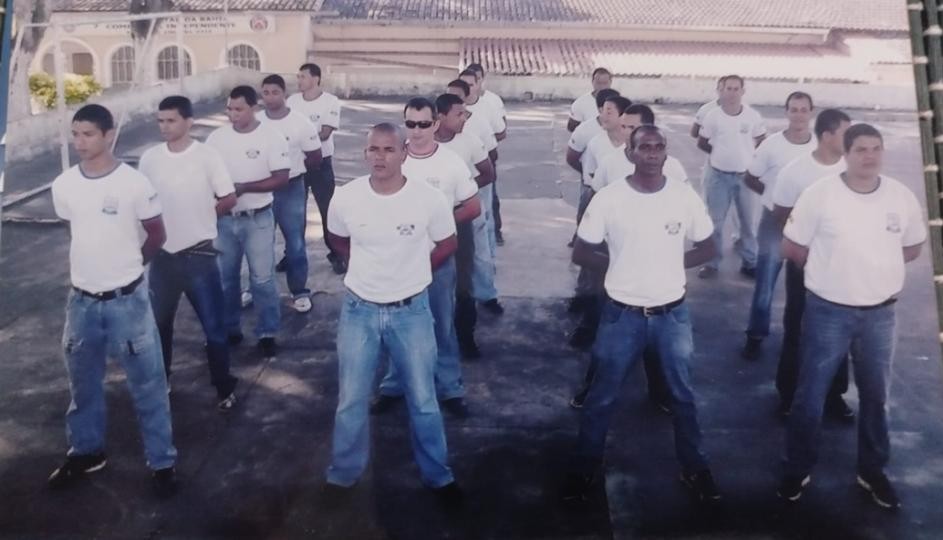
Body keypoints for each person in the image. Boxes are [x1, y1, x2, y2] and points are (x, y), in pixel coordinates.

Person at [564, 125, 721, 503]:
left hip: (672, 316)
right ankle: (585, 468)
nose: (651, 152)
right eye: (643, 147)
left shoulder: (683, 197)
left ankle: (695, 468)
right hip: (621, 316)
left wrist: (671, 261)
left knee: (683, 397)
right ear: (630, 154)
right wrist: (621, 261)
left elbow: (709, 246)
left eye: (658, 146)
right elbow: (582, 253)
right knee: (602, 397)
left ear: (666, 152)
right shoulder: (609, 199)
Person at [777, 124, 926, 510]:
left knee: (876, 398)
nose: (870, 156)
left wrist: (873, 275)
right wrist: (835, 275)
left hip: (881, 316)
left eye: (876, 149)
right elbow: (793, 247)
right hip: (828, 312)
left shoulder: (901, 196)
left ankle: (872, 472)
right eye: (861, 149)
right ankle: (797, 468)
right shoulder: (820, 194)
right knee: (809, 396)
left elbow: (911, 247)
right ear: (845, 153)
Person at [324, 123, 462, 505]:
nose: (380, 157)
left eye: (388, 149)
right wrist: (367, 263)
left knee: (423, 399)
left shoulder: (428, 199)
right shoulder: (346, 197)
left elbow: (447, 241)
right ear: (364, 153)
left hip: (412, 313)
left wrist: (415, 265)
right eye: (373, 150)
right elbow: (337, 239)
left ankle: (438, 476)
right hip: (359, 311)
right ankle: (342, 475)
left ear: (404, 153)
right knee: (351, 400)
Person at [48, 104, 178, 497]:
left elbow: (156, 234)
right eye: (76, 134)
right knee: (82, 384)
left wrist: (131, 267)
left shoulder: (134, 184)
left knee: (149, 385)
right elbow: (77, 226)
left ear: (108, 136)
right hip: (81, 303)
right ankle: (86, 451)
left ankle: (162, 462)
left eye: (88, 134)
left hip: (129, 302)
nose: (80, 142)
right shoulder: (65, 185)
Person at [372, 97, 482, 419]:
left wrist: (441, 222)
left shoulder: (451, 163)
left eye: (423, 124)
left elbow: (473, 206)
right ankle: (393, 386)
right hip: (397, 259)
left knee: (441, 325)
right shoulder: (393, 158)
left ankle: (450, 388)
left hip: (439, 258)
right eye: (410, 124)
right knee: (395, 326)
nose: (416, 131)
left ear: (436, 124)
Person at [140, 95, 240, 411]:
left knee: (214, 328)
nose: (164, 126)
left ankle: (224, 387)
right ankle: (162, 382)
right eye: (160, 121)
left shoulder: (207, 157)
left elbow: (229, 198)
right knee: (158, 327)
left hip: (200, 257)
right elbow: (142, 203)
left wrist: (206, 215)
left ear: (188, 122)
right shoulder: (150, 159)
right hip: (163, 258)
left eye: (171, 120)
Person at [770, 109, 854, 419]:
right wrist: (804, 244)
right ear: (828, 135)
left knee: (839, 329)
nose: (852, 139)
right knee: (799, 328)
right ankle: (788, 396)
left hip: (844, 265)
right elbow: (780, 213)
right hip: (804, 264)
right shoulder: (796, 171)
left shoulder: (852, 167)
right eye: (846, 132)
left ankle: (834, 396)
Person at [206, 85, 290, 358]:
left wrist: (243, 188)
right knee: (226, 279)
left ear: (254, 108)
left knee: (263, 279)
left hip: (258, 218)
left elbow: (281, 178)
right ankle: (230, 329)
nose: (233, 114)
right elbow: (205, 175)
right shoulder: (216, 139)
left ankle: (267, 332)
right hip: (224, 221)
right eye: (229, 109)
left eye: (239, 109)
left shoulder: (272, 137)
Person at [740, 92, 816, 360]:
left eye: (803, 110)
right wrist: (771, 195)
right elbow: (750, 177)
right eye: (793, 109)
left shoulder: (819, 147)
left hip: (808, 226)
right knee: (766, 282)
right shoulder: (771, 145)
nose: (798, 115)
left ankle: (802, 338)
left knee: (810, 285)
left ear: (811, 112)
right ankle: (756, 335)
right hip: (774, 221)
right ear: (786, 112)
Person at [435, 92, 496, 359]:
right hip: (424, 225)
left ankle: (465, 337)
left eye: (466, 113)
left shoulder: (470, 141)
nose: (464, 119)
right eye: (459, 114)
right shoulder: (421, 144)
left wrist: (465, 194)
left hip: (460, 220)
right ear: (440, 117)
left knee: (463, 282)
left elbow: (488, 172)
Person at [258, 74, 323, 313]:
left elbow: (315, 156)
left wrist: (295, 169)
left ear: (284, 94)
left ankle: (299, 291)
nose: (270, 97)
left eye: (275, 92)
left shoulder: (300, 122)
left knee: (295, 242)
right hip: (259, 189)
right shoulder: (255, 122)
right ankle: (257, 289)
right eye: (266, 92)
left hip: (291, 188)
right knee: (259, 243)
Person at [696, 75, 767, 279]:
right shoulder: (713, 116)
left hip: (745, 178)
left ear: (743, 91)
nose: (732, 92)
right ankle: (711, 262)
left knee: (748, 223)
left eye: (737, 88)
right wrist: (720, 155)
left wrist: (747, 158)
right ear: (721, 90)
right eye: (729, 88)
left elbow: (761, 140)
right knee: (715, 222)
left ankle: (750, 262)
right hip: (718, 177)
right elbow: (702, 141)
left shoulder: (752, 116)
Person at [447, 79, 504, 316]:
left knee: (478, 251)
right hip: (443, 202)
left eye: (458, 97)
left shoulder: (477, 124)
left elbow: (491, 158)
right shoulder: (432, 129)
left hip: (471, 196)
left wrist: (468, 187)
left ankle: (486, 294)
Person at [287, 63, 346, 275]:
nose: (299, 80)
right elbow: (285, 130)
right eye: (298, 76)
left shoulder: (330, 101)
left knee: (327, 210)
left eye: (303, 76)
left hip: (321, 163)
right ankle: (291, 254)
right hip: (296, 164)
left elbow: (325, 133)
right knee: (294, 213)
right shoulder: (292, 102)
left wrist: (297, 140)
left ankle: (337, 254)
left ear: (316, 79)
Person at [463, 64, 509, 245]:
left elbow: (501, 131)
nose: (468, 88)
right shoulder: (451, 107)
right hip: (461, 165)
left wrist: (484, 143)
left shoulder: (491, 103)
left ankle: (494, 235)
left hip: (484, 161)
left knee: (488, 204)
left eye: (473, 82)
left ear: (480, 81)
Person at [568, 67, 613, 132]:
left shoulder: (620, 103)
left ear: (610, 82)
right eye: (598, 83)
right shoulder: (580, 103)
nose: (602, 87)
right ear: (592, 82)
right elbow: (572, 128)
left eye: (605, 83)